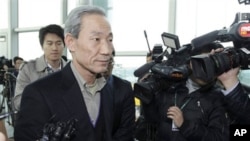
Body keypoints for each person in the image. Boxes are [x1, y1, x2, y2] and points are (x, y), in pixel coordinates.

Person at [14, 5, 135, 141]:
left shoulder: (121, 90)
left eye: (110, 39)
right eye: (96, 39)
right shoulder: (39, 93)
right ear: (71, 42)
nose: (107, 50)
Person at [136, 43, 229, 141]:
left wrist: (185, 125)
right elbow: (153, 120)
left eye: (213, 66)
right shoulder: (170, 85)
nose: (207, 70)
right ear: (190, 63)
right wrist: (148, 99)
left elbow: (219, 137)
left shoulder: (219, 97)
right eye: (202, 63)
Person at [13, 24, 67, 111]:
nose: (54, 48)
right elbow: (18, 102)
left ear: (64, 45)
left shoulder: (72, 68)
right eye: (49, 43)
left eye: (58, 43)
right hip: (38, 121)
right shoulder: (28, 69)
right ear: (42, 46)